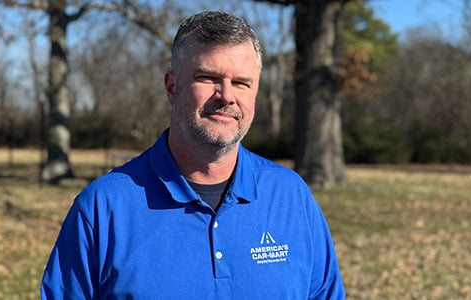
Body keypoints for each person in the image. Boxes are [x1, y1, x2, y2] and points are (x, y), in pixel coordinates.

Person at [41, 10, 346, 299]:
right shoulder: (103, 208)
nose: (227, 96)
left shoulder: (291, 197)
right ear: (172, 87)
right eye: (208, 78)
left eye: (241, 83)